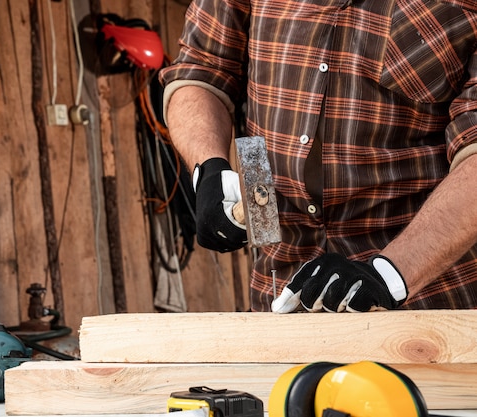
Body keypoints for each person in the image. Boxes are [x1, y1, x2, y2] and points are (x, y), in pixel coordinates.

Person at [159, 0, 477, 313]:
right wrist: (209, 168)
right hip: (275, 288)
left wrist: (391, 274)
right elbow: (202, 67)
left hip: (416, 298)